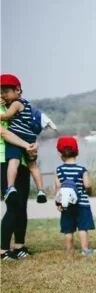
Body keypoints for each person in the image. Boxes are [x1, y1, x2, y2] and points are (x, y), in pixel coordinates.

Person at [0, 74, 47, 205]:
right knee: (33, 166)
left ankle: (10, 187)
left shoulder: (15, 104)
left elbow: (6, 116)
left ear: (18, 90)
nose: (3, 96)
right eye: (1, 93)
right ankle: (41, 190)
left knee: (13, 161)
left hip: (17, 136)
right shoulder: (27, 105)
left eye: (6, 92)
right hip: (30, 138)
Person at [54, 136, 96, 256]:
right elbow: (87, 184)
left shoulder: (59, 170)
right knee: (83, 227)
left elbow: (58, 188)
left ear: (60, 153)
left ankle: (69, 250)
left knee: (68, 229)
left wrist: (58, 203)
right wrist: (89, 191)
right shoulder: (81, 169)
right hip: (82, 203)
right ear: (77, 152)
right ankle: (85, 250)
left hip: (66, 204)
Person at [0, 126, 36, 260]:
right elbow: (4, 133)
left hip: (22, 161)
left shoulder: (16, 113)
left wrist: (33, 145)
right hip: (4, 162)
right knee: (13, 205)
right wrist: (27, 144)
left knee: (22, 206)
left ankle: (19, 247)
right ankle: (3, 250)